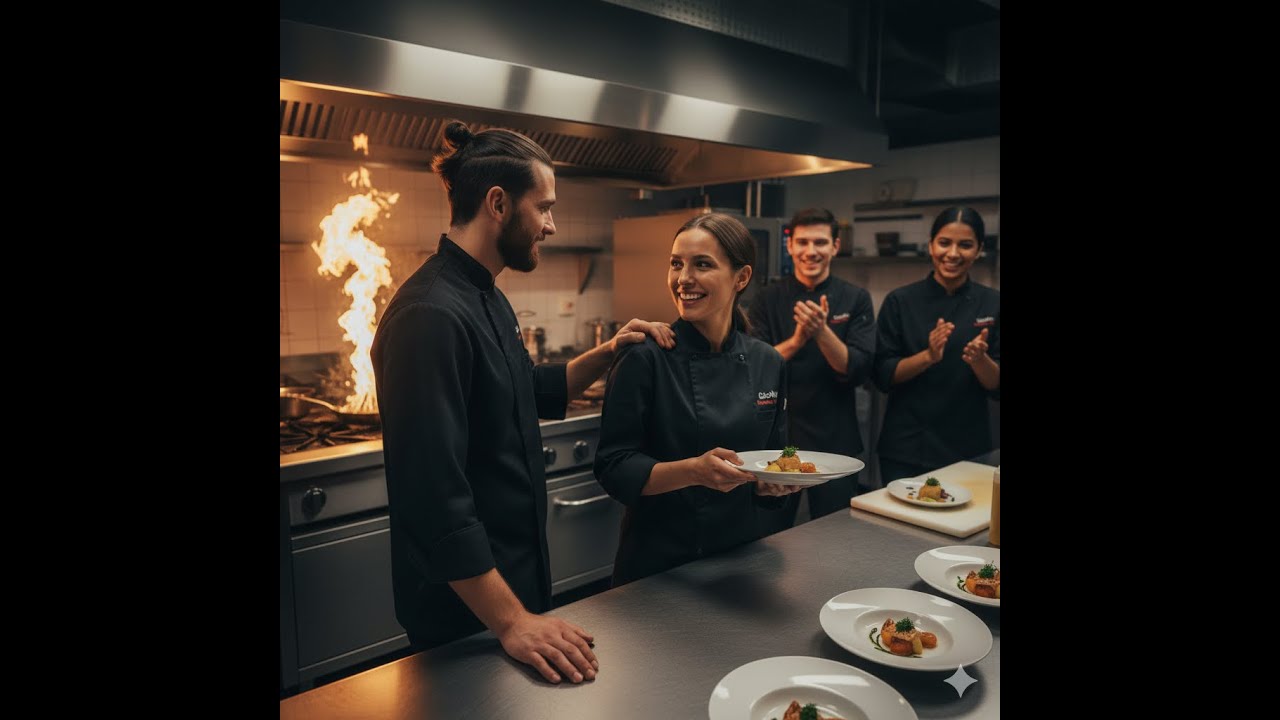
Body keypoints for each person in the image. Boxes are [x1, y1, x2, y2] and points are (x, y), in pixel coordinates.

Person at [370, 121, 675, 685]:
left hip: (513, 598)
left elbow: (527, 389)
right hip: (465, 619)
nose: (551, 225)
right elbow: (433, 501)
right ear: (498, 204)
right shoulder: (429, 316)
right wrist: (511, 622)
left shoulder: (486, 293)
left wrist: (609, 350)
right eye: (545, 207)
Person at [593, 212, 803, 587]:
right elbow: (614, 467)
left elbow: (771, 462)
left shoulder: (768, 361)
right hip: (658, 567)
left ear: (741, 277)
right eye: (676, 264)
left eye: (702, 264)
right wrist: (693, 471)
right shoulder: (644, 358)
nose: (683, 278)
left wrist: (773, 486)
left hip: (740, 559)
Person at [747, 207, 875, 529]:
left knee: (833, 534)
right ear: (790, 245)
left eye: (820, 242)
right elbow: (754, 368)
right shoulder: (767, 299)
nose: (811, 251)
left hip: (835, 440)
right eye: (802, 242)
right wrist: (797, 340)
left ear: (835, 246)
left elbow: (857, 369)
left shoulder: (856, 298)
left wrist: (821, 332)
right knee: (770, 535)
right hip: (778, 439)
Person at [872, 206, 1000, 484]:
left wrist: (980, 360)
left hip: (969, 448)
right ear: (931, 246)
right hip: (906, 446)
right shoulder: (900, 301)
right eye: (944, 243)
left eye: (965, 245)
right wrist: (928, 356)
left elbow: (997, 386)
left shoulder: (992, 303)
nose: (953, 253)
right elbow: (882, 375)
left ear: (979, 250)